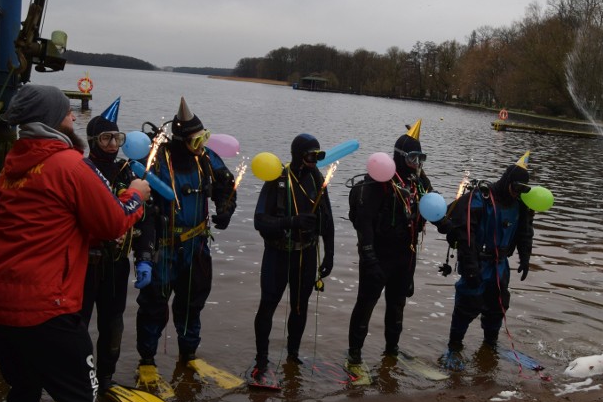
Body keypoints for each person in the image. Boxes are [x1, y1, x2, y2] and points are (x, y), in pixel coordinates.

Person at [0, 84, 150, 402]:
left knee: (25, 384)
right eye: (69, 113)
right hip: (43, 306)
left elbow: (50, 221)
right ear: (54, 120)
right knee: (77, 398)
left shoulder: (15, 161)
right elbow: (109, 223)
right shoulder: (68, 164)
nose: (74, 118)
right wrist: (134, 196)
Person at [132, 96, 237, 386]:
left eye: (203, 138)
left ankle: (188, 355)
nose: (200, 145)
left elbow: (227, 185)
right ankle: (147, 361)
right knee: (154, 306)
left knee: (193, 304)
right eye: (194, 141)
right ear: (179, 140)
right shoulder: (155, 161)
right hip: (163, 247)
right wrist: (142, 252)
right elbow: (137, 203)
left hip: (197, 246)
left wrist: (225, 209)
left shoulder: (206, 159)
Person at [346, 120, 432, 365]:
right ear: (400, 156)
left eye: (421, 159)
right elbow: (364, 223)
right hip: (378, 256)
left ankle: (392, 352)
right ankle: (354, 355)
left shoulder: (420, 183)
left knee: (397, 307)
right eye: (413, 158)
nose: (417, 164)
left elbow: (432, 213)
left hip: (404, 258)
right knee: (365, 305)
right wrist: (369, 255)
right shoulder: (379, 183)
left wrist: (454, 230)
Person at [438, 154, 534, 366]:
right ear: (508, 181)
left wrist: (525, 258)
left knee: (498, 306)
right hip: (477, 260)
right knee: (467, 303)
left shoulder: (521, 205)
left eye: (523, 190)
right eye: (516, 187)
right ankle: (454, 347)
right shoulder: (481, 199)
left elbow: (525, 233)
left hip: (500, 265)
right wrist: (471, 268)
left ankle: (490, 345)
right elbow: (466, 236)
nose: (518, 193)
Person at [252, 133, 335, 377]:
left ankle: (293, 356)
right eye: (311, 155)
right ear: (299, 155)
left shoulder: (317, 180)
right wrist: (292, 222)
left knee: (300, 307)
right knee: (268, 305)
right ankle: (262, 360)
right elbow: (259, 221)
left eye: (319, 156)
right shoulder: (276, 179)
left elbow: (328, 221)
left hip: (305, 254)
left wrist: (329, 255)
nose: (315, 161)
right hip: (278, 255)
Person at [80, 97, 142, 394]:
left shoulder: (127, 172)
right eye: (106, 138)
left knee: (113, 325)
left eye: (117, 137)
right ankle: (80, 379)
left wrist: (146, 256)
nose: (113, 144)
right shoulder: (82, 171)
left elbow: (146, 216)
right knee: (78, 326)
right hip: (84, 265)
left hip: (116, 264)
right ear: (92, 140)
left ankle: (105, 378)